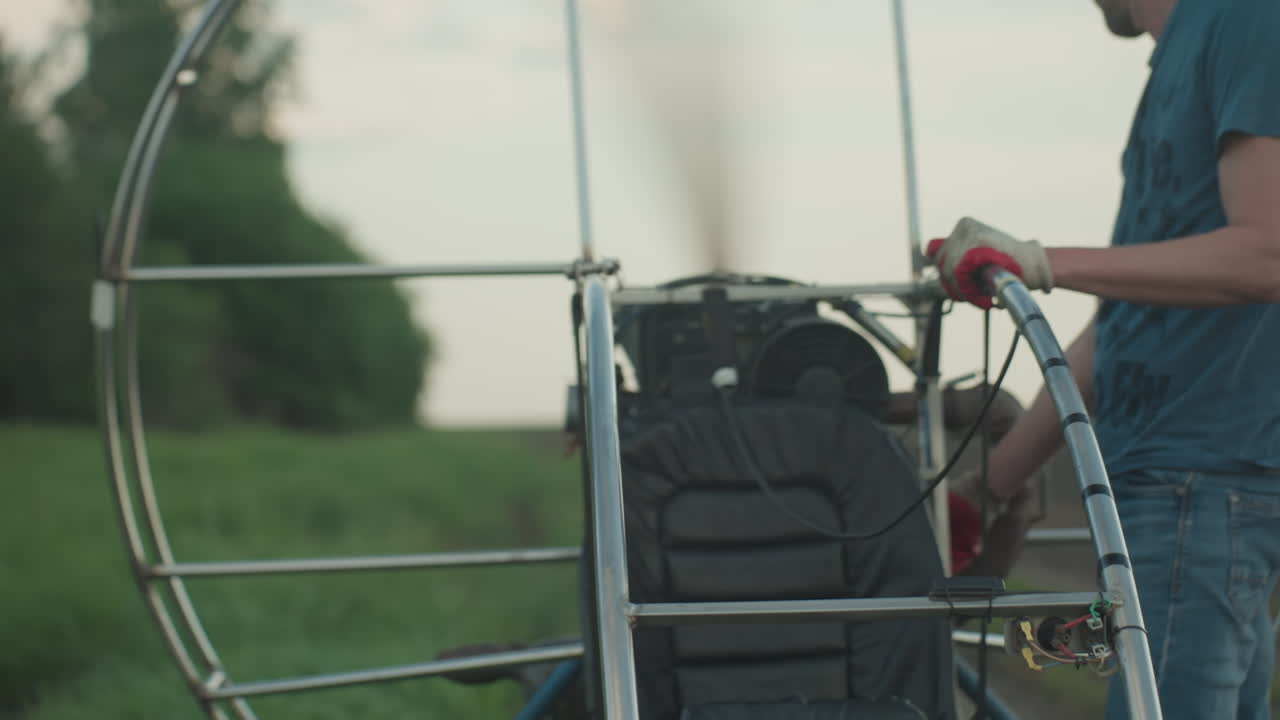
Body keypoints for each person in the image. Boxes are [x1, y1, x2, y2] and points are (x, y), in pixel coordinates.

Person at [927, 0, 1280, 717]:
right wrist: (988, 487)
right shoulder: (1180, 57)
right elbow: (1126, 323)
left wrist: (1034, 261)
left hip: (1201, 491)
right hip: (1168, 495)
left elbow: (1266, 252)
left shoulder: (1248, 18)